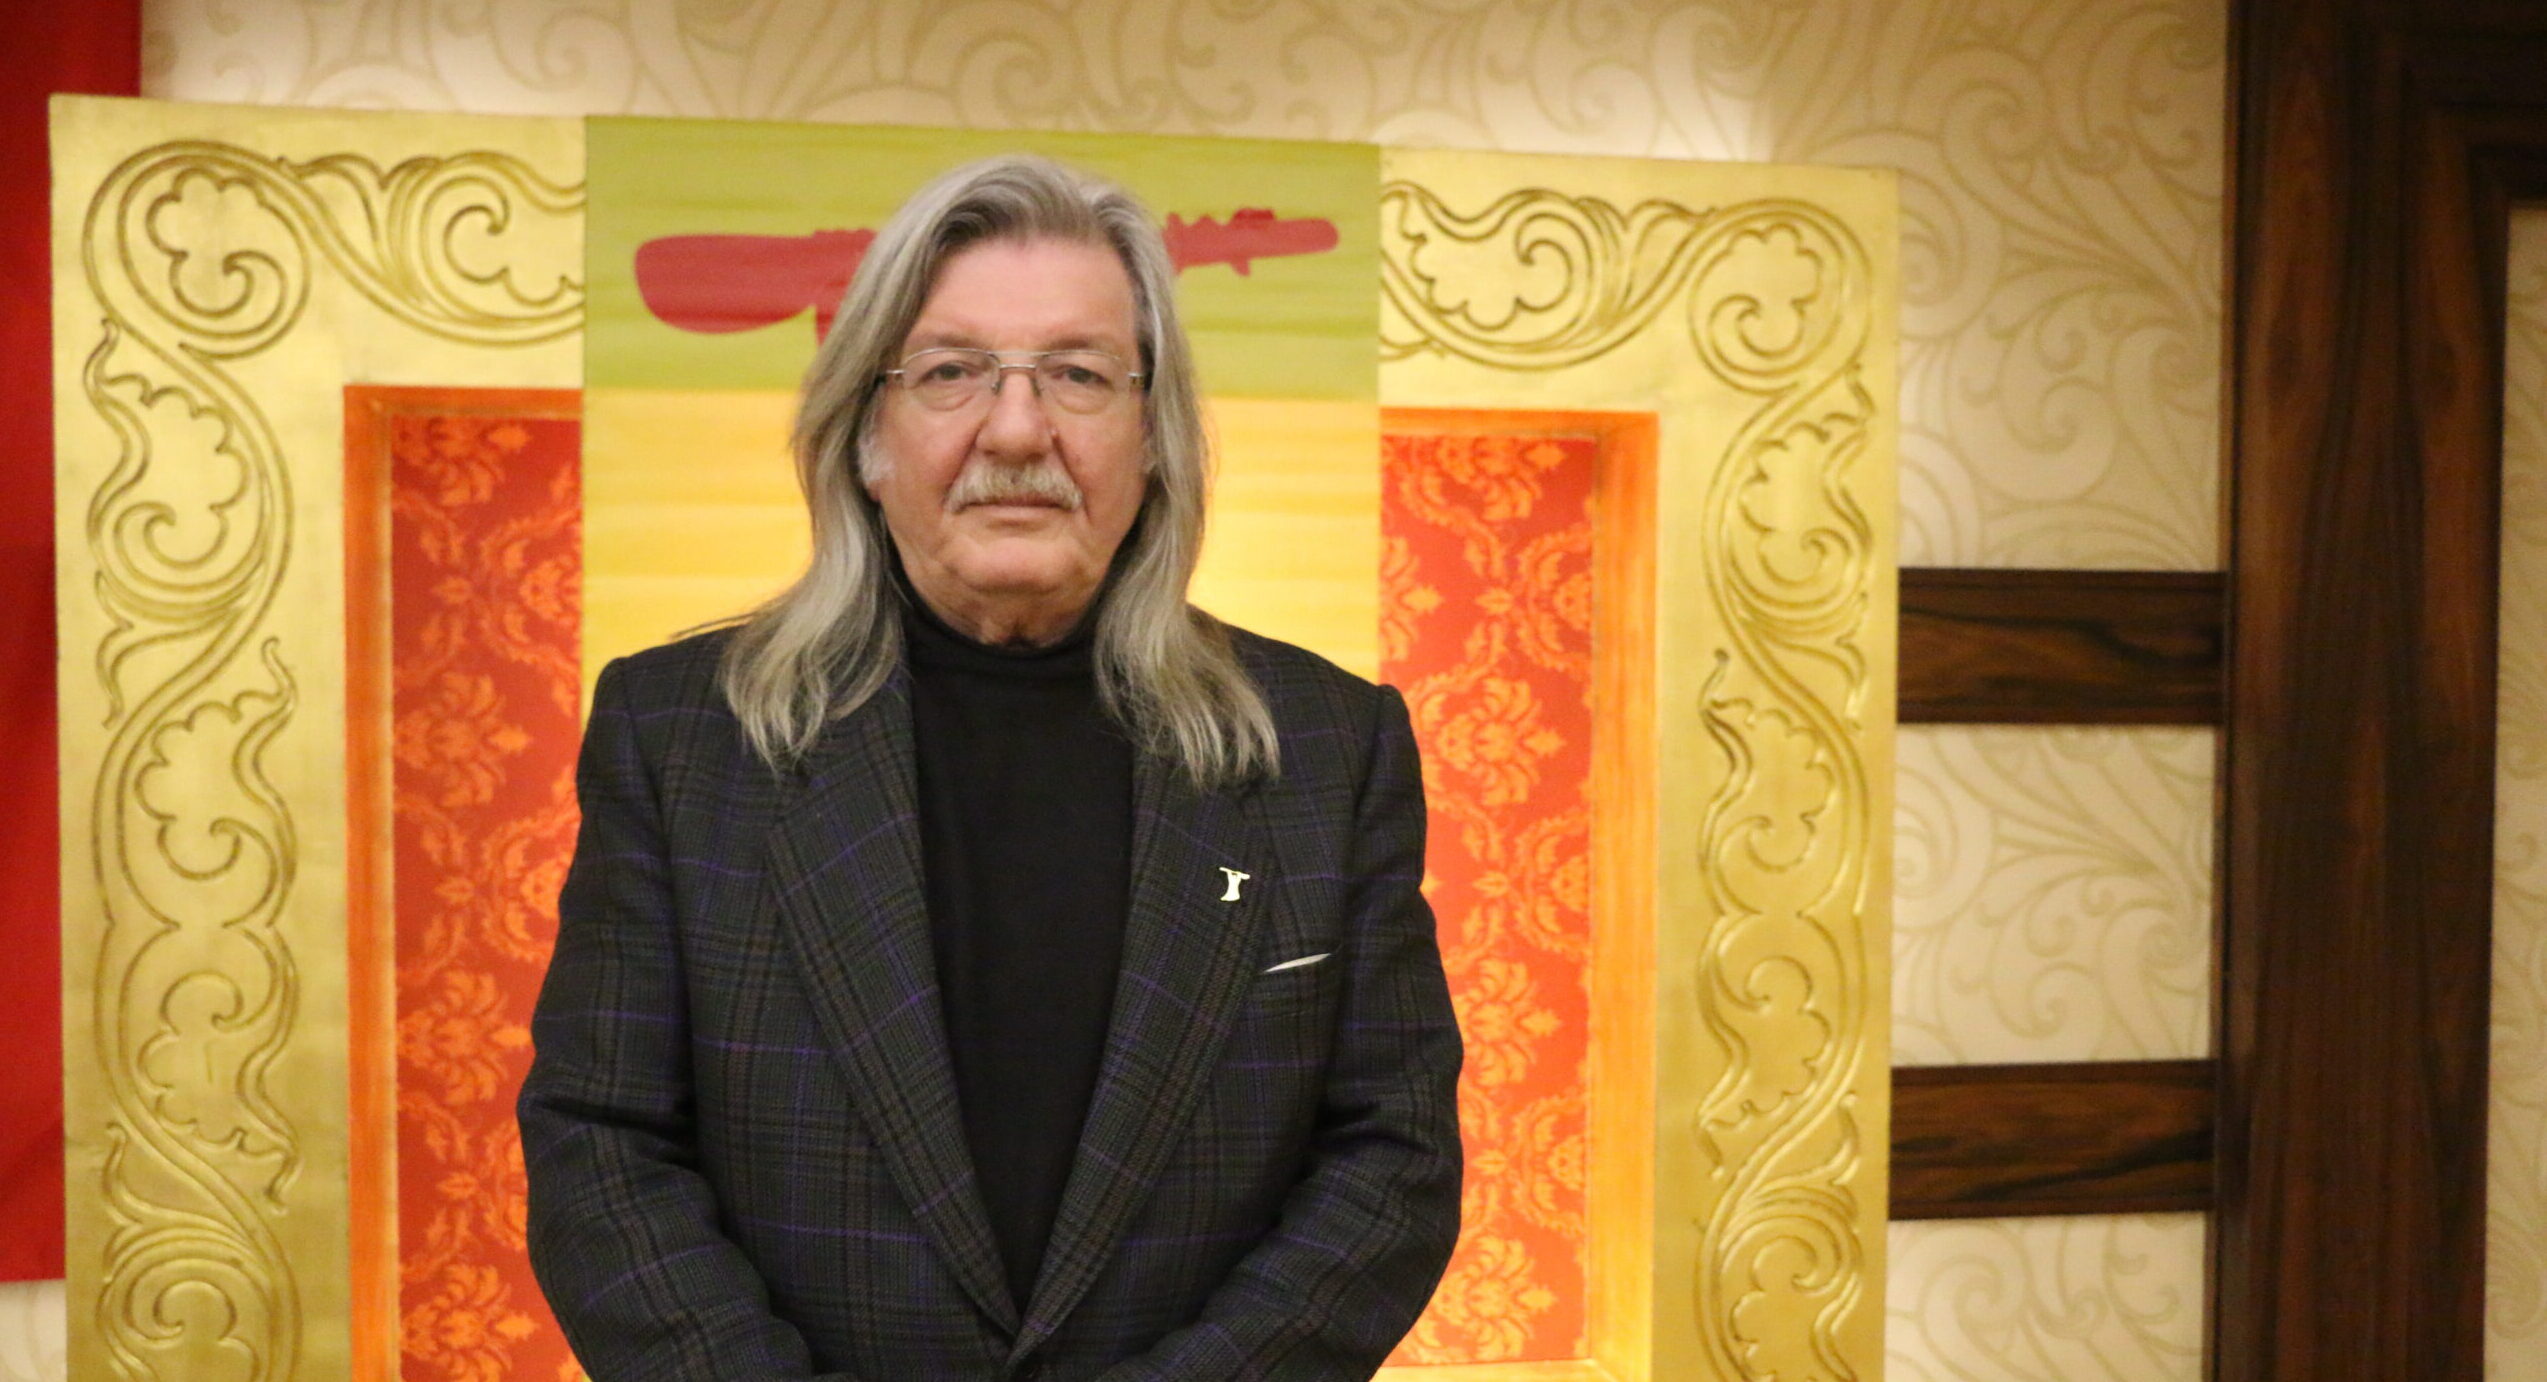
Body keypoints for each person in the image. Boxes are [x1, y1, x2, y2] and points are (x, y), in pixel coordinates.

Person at [519, 153, 1463, 1382]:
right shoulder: (680, 734)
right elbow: (602, 1145)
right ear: (867, 433)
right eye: (952, 371)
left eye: (1079, 374)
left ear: (1154, 436)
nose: (1017, 430)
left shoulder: (1328, 746)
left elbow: (1390, 1158)